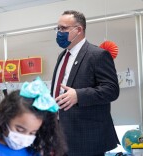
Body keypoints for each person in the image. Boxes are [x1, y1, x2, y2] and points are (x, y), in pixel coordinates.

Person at [51, 10, 120, 156]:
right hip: (61, 136)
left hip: (87, 138)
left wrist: (79, 95)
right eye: (58, 28)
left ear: (79, 30)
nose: (59, 32)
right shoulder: (62, 56)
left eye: (63, 28)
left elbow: (111, 89)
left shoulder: (98, 55)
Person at [0, 77, 67, 156]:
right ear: (4, 119)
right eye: (20, 130)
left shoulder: (33, 151)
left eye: (32, 133)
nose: (25, 138)